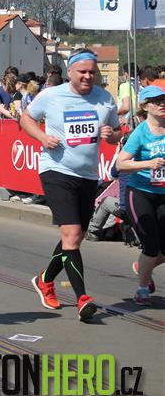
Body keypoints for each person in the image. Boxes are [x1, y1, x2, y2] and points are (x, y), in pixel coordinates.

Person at [22, 48, 122, 321]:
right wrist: (42, 138)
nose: (88, 76)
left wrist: (111, 134)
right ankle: (82, 298)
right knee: (73, 234)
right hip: (56, 171)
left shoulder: (104, 98)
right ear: (70, 72)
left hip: (88, 175)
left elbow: (116, 133)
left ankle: (44, 279)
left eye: (92, 72)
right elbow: (26, 118)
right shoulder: (52, 95)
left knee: (73, 238)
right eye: (82, 72)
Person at [115, 85, 165, 306]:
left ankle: (143, 265)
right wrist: (148, 164)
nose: (162, 104)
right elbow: (120, 164)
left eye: (164, 99)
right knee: (151, 246)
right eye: (156, 101)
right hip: (140, 194)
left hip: (163, 193)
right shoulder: (140, 133)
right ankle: (142, 289)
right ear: (145, 106)